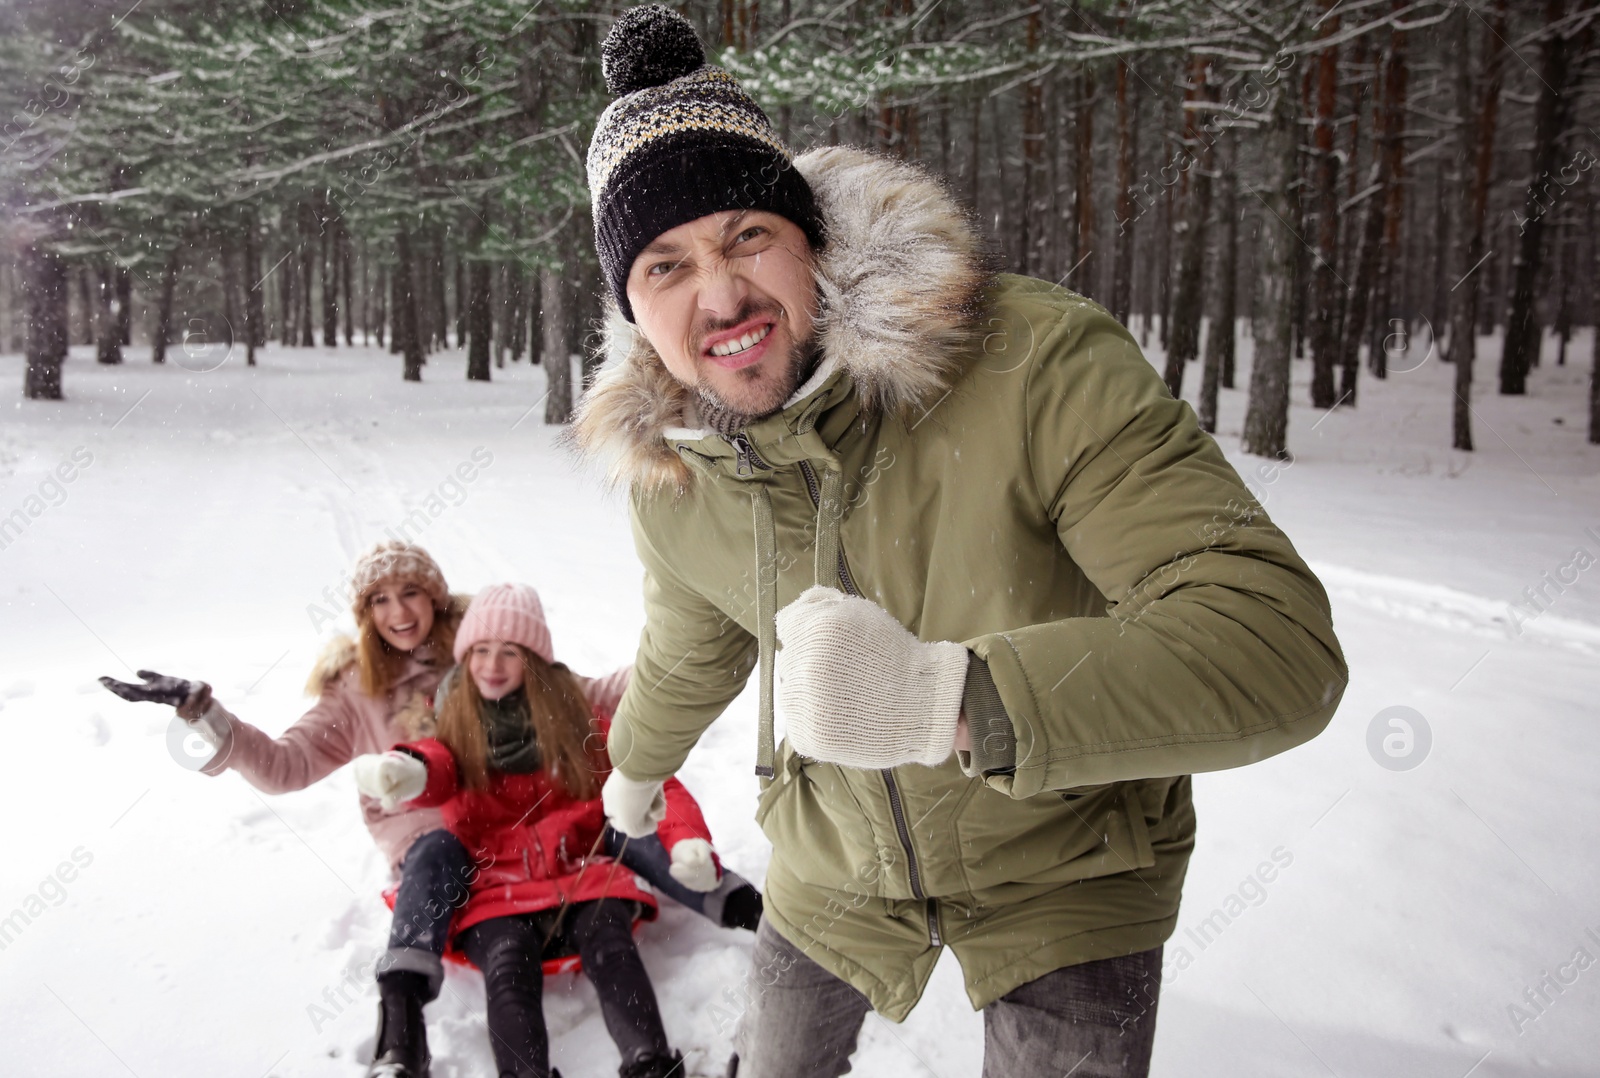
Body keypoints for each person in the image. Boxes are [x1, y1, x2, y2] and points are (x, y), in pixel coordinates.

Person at [573, 7, 1350, 1078]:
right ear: (628, 306)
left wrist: (956, 698)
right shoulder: (677, 474)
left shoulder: (1030, 359)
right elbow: (693, 643)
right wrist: (632, 774)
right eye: (663, 264)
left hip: (1068, 854)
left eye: (746, 235)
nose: (720, 294)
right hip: (832, 854)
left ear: (811, 238)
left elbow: (1274, 647)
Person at [98, 542, 633, 1077]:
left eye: (411, 593)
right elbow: (285, 764)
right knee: (440, 847)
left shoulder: (483, 651)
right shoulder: (357, 689)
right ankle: (400, 1034)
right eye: (379, 600)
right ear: (363, 613)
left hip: (508, 832)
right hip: (428, 839)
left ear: (436, 597)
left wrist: (678, 657)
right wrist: (205, 715)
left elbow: (583, 693)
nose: (398, 613)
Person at [353, 583, 736, 1078]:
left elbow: (646, 777)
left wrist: (685, 837)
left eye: (509, 652)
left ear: (533, 658)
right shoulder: (453, 721)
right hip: (496, 887)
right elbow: (438, 764)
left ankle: (650, 1062)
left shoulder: (576, 718)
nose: (492, 665)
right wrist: (410, 771)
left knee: (612, 948)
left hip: (579, 873)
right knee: (508, 967)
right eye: (481, 651)